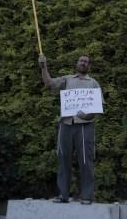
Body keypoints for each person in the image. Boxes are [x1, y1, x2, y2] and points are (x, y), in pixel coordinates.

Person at [38, 54, 102, 205]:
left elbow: (98, 107)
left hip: (85, 126)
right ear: (77, 63)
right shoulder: (67, 79)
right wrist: (44, 67)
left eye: (86, 62)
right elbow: (48, 83)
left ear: (89, 66)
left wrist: (88, 115)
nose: (83, 63)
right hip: (66, 124)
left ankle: (86, 196)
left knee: (86, 161)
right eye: (81, 61)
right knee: (63, 160)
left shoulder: (94, 83)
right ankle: (63, 195)